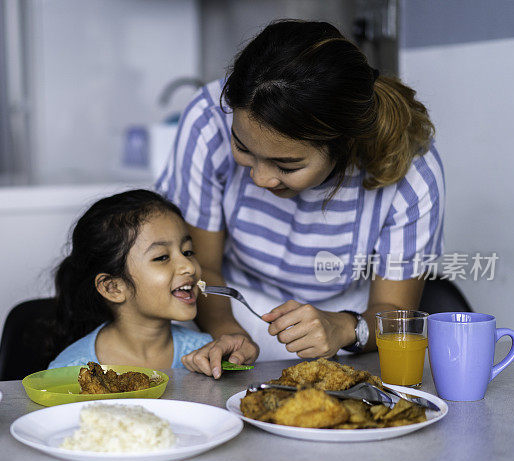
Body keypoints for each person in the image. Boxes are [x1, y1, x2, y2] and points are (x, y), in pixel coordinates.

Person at [156, 20, 444, 378]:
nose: (260, 178)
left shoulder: (410, 169)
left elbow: (392, 310)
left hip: (350, 324)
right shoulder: (207, 121)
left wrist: (345, 329)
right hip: (228, 307)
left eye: (287, 164)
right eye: (243, 148)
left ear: (344, 145)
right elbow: (203, 271)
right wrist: (227, 333)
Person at [47, 190, 213, 371]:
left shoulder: (207, 354)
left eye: (188, 252)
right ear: (113, 288)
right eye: (162, 257)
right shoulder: (69, 371)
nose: (188, 266)